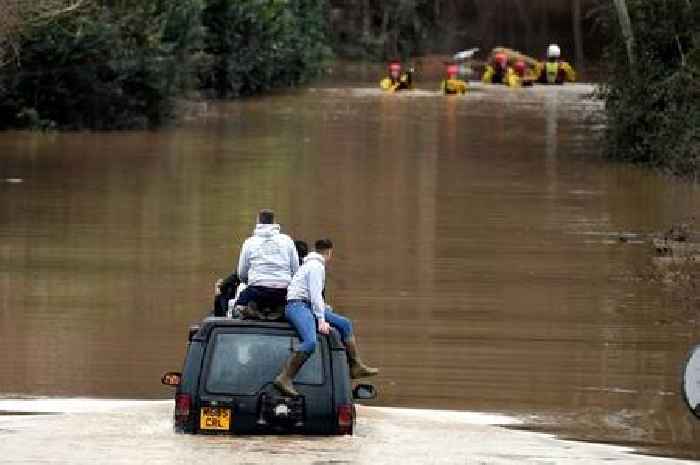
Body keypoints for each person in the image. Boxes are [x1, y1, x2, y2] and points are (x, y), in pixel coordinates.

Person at [274, 239, 378, 397]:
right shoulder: (316, 267)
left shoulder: (311, 264)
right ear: (329, 252)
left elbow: (315, 298)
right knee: (310, 342)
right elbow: (315, 295)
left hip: (307, 305)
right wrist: (321, 321)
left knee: (344, 324)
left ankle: (355, 365)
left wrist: (323, 310)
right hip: (297, 306)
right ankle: (285, 378)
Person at [234, 209, 299, 320]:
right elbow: (296, 270)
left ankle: (252, 310)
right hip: (283, 292)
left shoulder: (249, 242)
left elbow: (241, 273)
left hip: (256, 291)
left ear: (258, 222)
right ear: (274, 222)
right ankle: (281, 310)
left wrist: (250, 281)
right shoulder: (287, 241)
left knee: (236, 308)